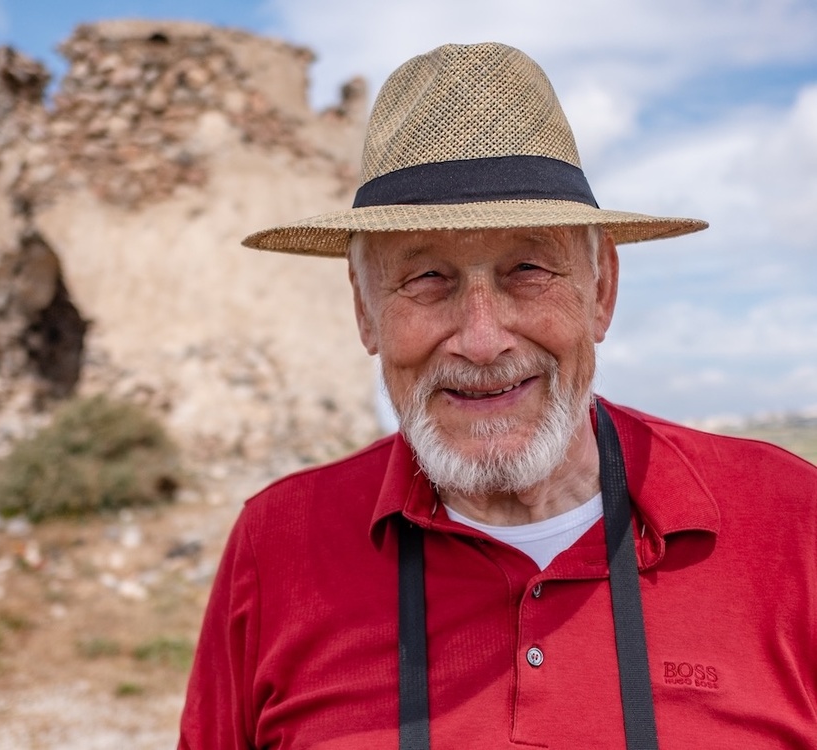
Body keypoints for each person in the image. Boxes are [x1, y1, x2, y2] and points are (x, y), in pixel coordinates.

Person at [178, 42, 817, 749]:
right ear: (365, 310)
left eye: (528, 269)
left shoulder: (794, 523)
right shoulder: (278, 544)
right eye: (427, 278)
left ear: (602, 288)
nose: (482, 342)